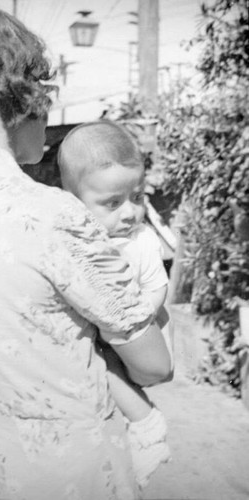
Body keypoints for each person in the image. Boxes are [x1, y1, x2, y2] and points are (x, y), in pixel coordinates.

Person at [0, 3, 172, 500]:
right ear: (16, 93)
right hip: (69, 470)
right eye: (41, 89)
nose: (46, 105)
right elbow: (155, 367)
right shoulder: (51, 215)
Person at [58, 120, 173, 489]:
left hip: (138, 329)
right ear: (75, 201)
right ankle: (139, 425)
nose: (129, 213)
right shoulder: (76, 241)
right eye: (112, 203)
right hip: (104, 338)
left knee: (101, 358)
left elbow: (158, 287)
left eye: (136, 198)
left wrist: (140, 312)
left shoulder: (141, 242)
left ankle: (146, 424)